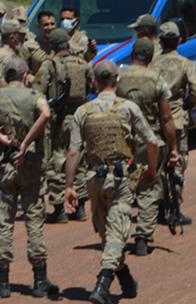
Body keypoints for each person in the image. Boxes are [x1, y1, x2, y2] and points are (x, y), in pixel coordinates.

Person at [64, 61, 160, 304]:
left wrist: (68, 186)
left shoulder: (83, 112)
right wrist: (152, 169)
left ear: (94, 82)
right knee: (116, 235)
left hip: (94, 180)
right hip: (120, 180)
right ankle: (103, 283)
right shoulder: (128, 108)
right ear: (117, 80)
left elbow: (73, 152)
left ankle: (126, 280)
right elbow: (152, 142)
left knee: (108, 235)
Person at [0, 57, 58, 299]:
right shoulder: (33, 95)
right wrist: (28, 141)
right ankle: (40, 280)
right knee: (33, 219)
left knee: (4, 221)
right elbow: (46, 114)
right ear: (24, 75)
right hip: (29, 163)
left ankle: (2, 281)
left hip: (4, 163)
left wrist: (0, 137)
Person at [116, 38, 177, 256]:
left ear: (132, 54)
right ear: (150, 57)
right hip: (150, 139)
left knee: (122, 186)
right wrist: (173, 147)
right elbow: (167, 117)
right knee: (150, 185)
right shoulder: (157, 79)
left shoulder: (118, 76)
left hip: (122, 138)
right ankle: (142, 235)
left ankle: (117, 234)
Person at [32, 29, 93, 223]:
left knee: (56, 160)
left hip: (58, 119)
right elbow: (92, 86)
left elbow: (37, 91)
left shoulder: (49, 65)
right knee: (79, 157)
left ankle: (60, 208)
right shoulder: (83, 63)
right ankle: (81, 206)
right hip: (80, 115)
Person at [150, 22, 196, 225]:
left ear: (160, 40)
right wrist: (187, 104)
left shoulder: (152, 64)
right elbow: (195, 89)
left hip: (155, 117)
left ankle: (159, 207)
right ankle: (174, 208)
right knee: (177, 161)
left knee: (158, 162)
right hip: (176, 116)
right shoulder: (186, 63)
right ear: (179, 40)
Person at [0, 19, 26, 87]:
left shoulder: (9, 52)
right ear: (12, 38)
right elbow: (1, 82)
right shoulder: (5, 56)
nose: (22, 37)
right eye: (20, 35)